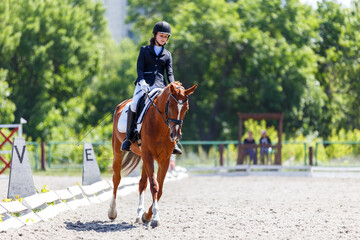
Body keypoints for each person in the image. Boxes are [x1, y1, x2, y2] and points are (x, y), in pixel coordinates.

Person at [121, 21, 182, 155]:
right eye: (161, 35)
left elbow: (169, 73)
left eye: (166, 37)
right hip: (143, 85)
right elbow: (140, 68)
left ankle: (174, 141)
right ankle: (129, 137)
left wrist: (173, 87)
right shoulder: (144, 50)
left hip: (161, 86)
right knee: (134, 105)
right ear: (155, 35)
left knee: (172, 108)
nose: (164, 38)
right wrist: (142, 81)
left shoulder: (168, 55)